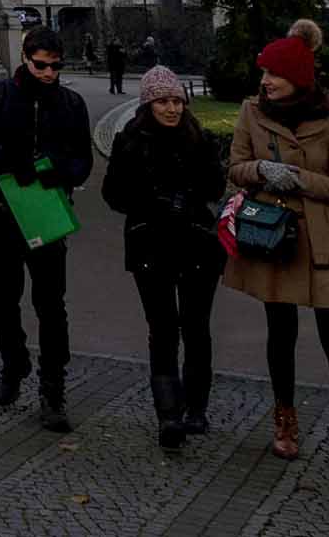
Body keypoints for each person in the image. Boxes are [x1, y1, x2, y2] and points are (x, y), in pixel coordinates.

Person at [225, 35, 329, 497]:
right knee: (281, 334)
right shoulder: (251, 112)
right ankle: (285, 424)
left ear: (297, 78)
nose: (265, 82)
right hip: (274, 238)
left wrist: (299, 179)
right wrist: (260, 171)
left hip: (320, 242)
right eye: (262, 73)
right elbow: (234, 167)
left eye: (273, 74)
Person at [0, 25, 93, 430]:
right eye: (41, 66)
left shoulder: (71, 104)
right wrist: (2, 158)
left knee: (51, 305)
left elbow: (82, 159)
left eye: (55, 67)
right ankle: (14, 360)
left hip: (48, 212)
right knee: (3, 298)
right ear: (25, 58)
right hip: (3, 210)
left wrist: (63, 173)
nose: (49, 74)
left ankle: (52, 388)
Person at [100, 66, 225, 448]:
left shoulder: (200, 139)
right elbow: (113, 194)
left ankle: (196, 408)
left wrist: (190, 196)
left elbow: (215, 186)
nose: (171, 109)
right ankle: (168, 414)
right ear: (148, 104)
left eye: (176, 101)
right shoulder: (129, 141)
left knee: (197, 326)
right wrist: (149, 201)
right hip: (151, 243)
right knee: (163, 329)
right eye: (162, 102)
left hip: (196, 242)